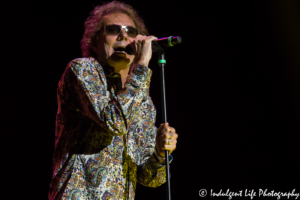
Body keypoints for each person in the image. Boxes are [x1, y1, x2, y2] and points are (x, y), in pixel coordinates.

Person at [49, 1, 178, 199]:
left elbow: (149, 178)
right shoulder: (83, 70)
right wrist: (142, 64)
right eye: (113, 30)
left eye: (130, 32)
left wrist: (160, 154)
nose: (123, 36)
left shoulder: (141, 100)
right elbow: (115, 121)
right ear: (94, 41)